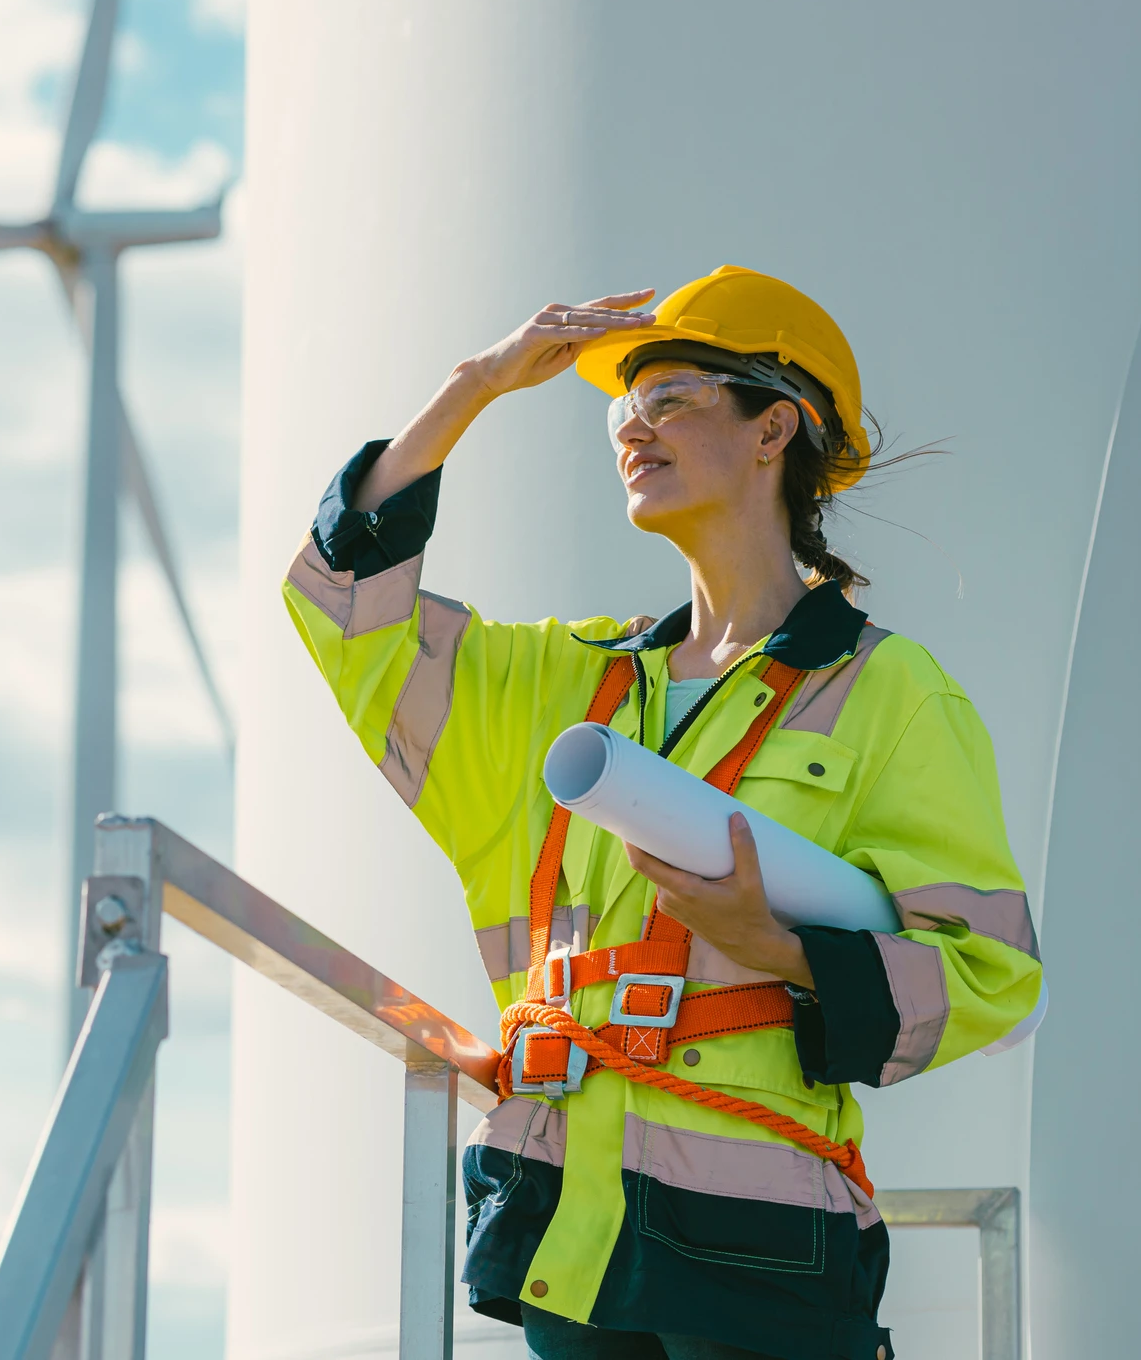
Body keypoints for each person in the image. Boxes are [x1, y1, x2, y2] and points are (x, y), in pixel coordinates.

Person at [281, 267, 1043, 1360]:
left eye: (672, 397)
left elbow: (992, 973)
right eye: (620, 408)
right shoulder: (559, 680)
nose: (633, 426)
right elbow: (343, 605)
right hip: (568, 1229)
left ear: (775, 426)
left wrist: (774, 946)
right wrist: (474, 387)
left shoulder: (890, 692)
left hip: (762, 1248)